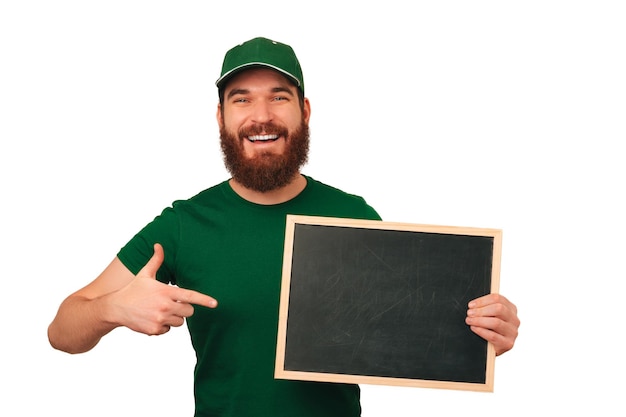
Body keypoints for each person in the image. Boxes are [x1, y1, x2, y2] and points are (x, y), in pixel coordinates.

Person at [48, 37, 520, 416]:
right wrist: (113, 308)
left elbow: (409, 336)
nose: (261, 116)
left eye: (279, 97)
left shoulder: (351, 215)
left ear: (304, 111)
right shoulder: (182, 224)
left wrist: (487, 336)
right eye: (241, 100)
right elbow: (62, 331)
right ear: (221, 117)